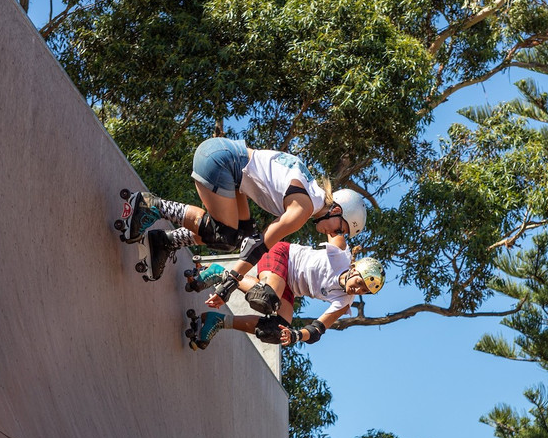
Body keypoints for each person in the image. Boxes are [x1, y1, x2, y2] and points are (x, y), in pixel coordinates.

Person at [122, 137, 367, 311]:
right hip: (222, 161)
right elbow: (262, 245)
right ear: (336, 209)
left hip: (228, 163)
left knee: (236, 238)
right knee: (227, 235)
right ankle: (153, 206)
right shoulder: (302, 209)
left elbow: (251, 235)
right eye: (339, 228)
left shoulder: (310, 194)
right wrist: (230, 282)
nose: (333, 234)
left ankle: (165, 241)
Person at [185, 232, 385, 350]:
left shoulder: (345, 301)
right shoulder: (340, 253)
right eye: (360, 282)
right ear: (354, 269)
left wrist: (295, 335)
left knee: (275, 330)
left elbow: (317, 329)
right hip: (282, 256)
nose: (356, 289)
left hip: (288, 287)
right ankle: (221, 274)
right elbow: (328, 222)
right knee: (266, 298)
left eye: (363, 291)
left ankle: (219, 321)